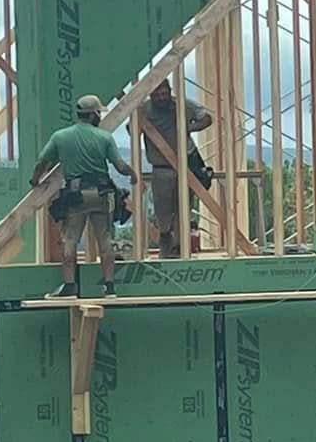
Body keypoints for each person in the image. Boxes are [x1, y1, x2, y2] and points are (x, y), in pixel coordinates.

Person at [30, 93, 138, 297]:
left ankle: (70, 286)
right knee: (104, 239)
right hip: (99, 194)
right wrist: (132, 175)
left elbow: (42, 161)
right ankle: (109, 286)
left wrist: (35, 180)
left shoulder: (60, 137)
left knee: (70, 240)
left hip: (76, 195)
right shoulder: (104, 137)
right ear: (94, 114)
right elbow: (120, 165)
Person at [141, 79, 213, 259]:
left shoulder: (181, 104)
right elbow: (131, 130)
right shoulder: (143, 110)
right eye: (157, 95)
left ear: (170, 91)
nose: (161, 98)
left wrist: (189, 127)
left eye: (164, 94)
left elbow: (206, 118)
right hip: (161, 167)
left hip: (185, 164)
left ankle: (180, 247)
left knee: (183, 208)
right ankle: (166, 241)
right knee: (163, 210)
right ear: (151, 95)